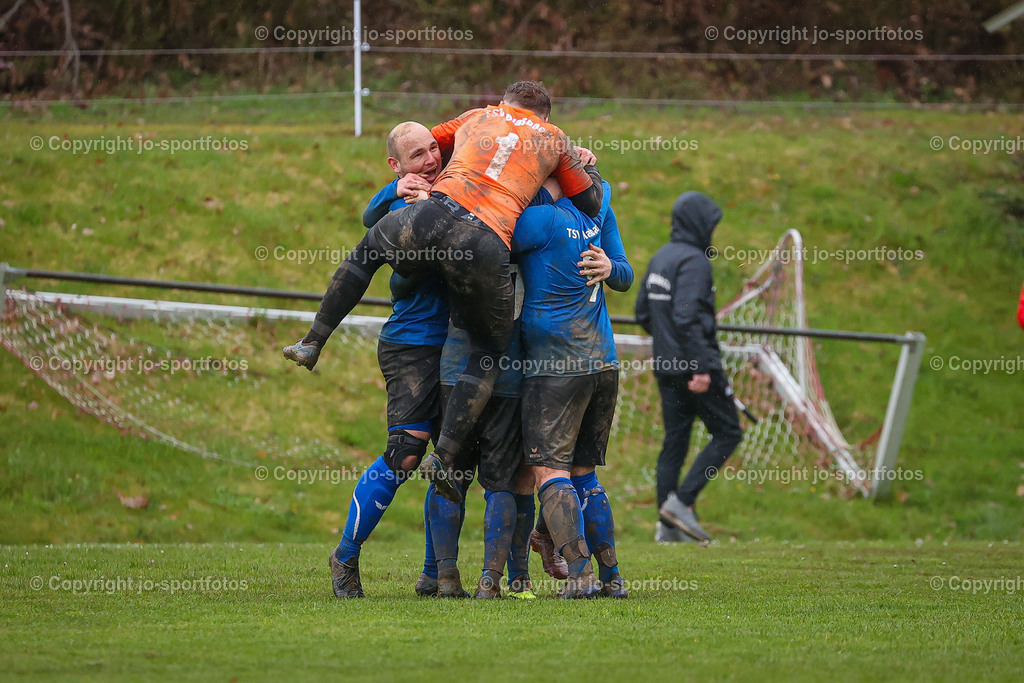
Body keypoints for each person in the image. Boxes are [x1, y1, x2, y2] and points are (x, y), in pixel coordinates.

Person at [284, 82, 603, 508]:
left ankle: (312, 341)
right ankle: (445, 455)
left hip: (437, 213)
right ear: (544, 116)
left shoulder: (477, 116)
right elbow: (592, 200)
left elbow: (422, 148)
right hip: (486, 239)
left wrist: (398, 189)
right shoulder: (553, 139)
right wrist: (581, 168)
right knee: (490, 347)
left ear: (504, 104)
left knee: (367, 252)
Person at [326, 122, 463, 598]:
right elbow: (369, 217)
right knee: (407, 451)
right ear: (397, 165)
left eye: (433, 150)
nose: (429, 160)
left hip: (464, 343)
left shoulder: (457, 184)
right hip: (412, 341)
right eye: (417, 155)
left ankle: (434, 574)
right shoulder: (399, 201)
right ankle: (345, 555)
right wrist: (390, 192)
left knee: (453, 459)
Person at [513, 173, 633, 598]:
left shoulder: (538, 218)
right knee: (585, 475)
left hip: (556, 364)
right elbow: (625, 275)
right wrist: (610, 267)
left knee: (549, 470)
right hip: (603, 361)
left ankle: (580, 575)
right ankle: (612, 578)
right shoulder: (598, 210)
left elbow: (489, 237)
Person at [635, 192, 743, 544]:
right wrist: (699, 367)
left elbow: (643, 313)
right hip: (696, 368)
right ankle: (682, 503)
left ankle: (666, 527)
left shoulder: (661, 257)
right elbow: (687, 316)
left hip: (666, 367)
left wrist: (668, 347)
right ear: (700, 224)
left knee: (675, 441)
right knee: (728, 432)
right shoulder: (695, 261)